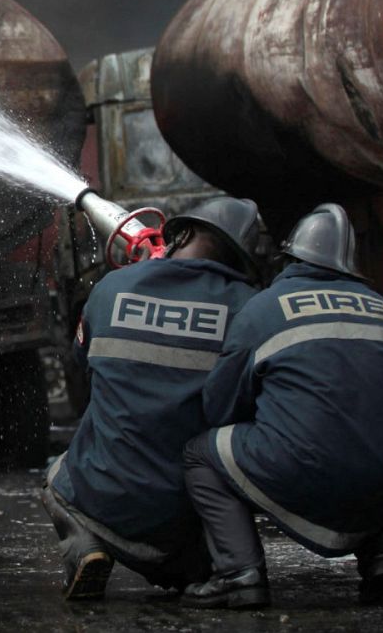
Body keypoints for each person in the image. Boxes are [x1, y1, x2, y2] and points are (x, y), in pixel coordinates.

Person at [181, 203, 383, 609]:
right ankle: (382, 562)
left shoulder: (262, 310)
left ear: (289, 259)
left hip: (300, 470)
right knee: (382, 447)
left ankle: (239, 574)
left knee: (200, 454)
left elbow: (220, 407)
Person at [42, 196, 264, 600]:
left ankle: (86, 548)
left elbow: (82, 362)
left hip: (105, 498)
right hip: (188, 515)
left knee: (57, 474)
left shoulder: (111, 287)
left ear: (184, 233)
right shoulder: (249, 308)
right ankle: (200, 566)